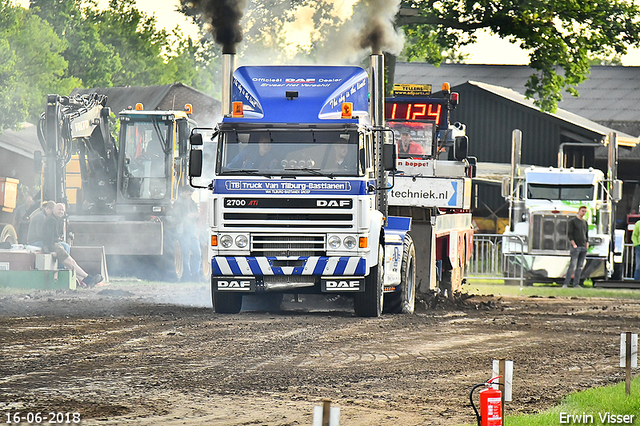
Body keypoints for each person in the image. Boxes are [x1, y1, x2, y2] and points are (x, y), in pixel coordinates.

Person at [41, 203, 102, 287]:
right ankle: (87, 277)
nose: (61, 212)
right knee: (70, 263)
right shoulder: (51, 220)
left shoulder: (56, 220)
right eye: (59, 209)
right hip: (53, 246)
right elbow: (47, 238)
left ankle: (86, 280)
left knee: (72, 262)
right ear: (54, 210)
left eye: (62, 210)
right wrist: (50, 251)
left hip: (55, 245)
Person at [173, 186, 202, 281]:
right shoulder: (177, 204)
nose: (191, 194)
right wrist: (187, 216)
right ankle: (186, 275)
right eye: (189, 192)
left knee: (197, 253)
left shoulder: (192, 203)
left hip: (192, 231)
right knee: (185, 254)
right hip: (184, 232)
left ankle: (195, 275)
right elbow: (176, 217)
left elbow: (197, 216)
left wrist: (196, 215)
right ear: (184, 192)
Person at [563, 205, 589, 288]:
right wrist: (573, 244)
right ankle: (566, 283)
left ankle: (576, 284)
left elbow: (586, 234)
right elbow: (570, 233)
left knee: (579, 267)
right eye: (582, 211)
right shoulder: (573, 221)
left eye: (585, 211)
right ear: (579, 211)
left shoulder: (585, 222)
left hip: (583, 246)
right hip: (576, 247)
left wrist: (587, 244)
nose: (584, 213)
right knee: (572, 265)